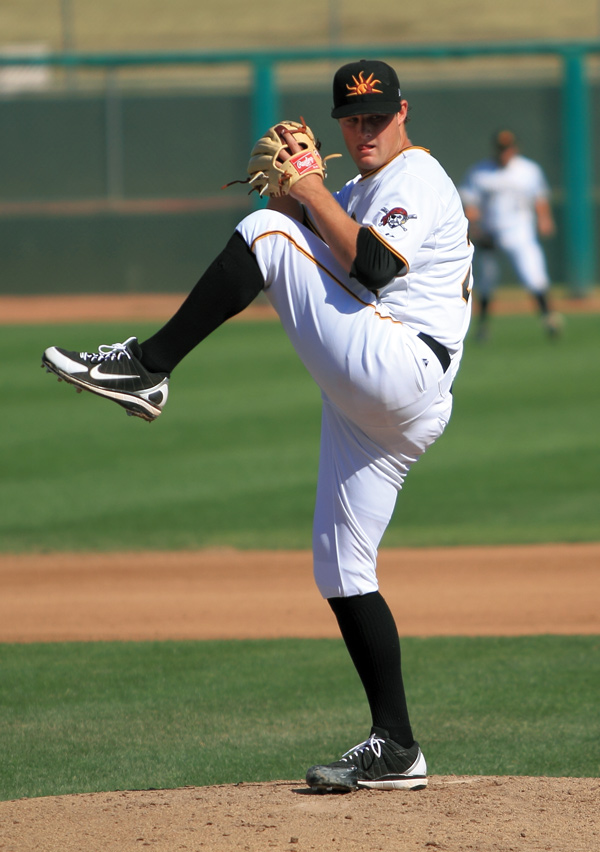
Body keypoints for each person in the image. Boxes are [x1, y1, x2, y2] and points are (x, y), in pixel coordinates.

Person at [42, 59, 473, 793]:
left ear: (403, 113)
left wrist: (303, 192)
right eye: (352, 119)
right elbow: (316, 238)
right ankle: (398, 746)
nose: (364, 130)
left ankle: (147, 366)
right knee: (342, 567)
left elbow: (371, 265)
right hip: (386, 401)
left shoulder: (417, 177)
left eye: (377, 116)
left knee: (264, 232)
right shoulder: (357, 190)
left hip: (402, 362)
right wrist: (297, 189)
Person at [459, 129, 562, 341]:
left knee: (533, 274)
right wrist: (475, 227)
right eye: (501, 148)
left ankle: (549, 318)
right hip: (490, 232)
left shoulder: (528, 170)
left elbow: (539, 197)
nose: (504, 152)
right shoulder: (480, 172)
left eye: (507, 148)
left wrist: (544, 219)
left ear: (515, 148)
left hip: (520, 231)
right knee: (485, 281)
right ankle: (483, 326)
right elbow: (470, 203)